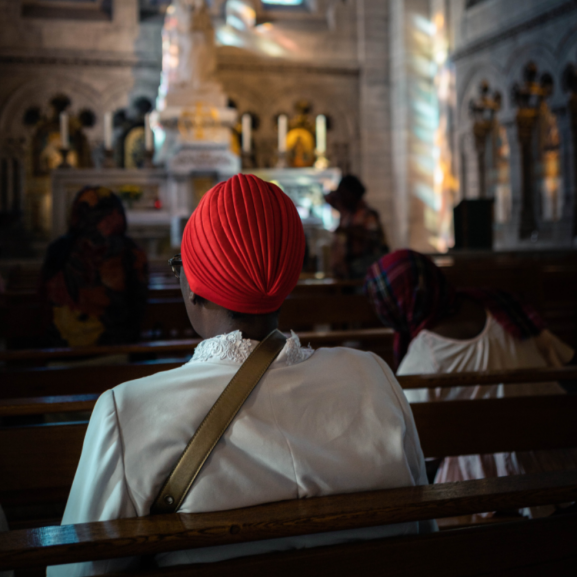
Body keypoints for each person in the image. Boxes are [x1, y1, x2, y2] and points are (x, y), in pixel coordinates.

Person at [48, 175, 433, 576]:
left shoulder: (126, 413)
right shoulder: (372, 376)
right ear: (288, 278)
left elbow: (75, 570)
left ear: (194, 286)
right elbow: (424, 533)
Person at [364, 249, 577, 520]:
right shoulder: (502, 307)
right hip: (556, 461)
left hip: (480, 493)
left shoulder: (424, 356)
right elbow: (564, 360)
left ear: (395, 307)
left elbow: (412, 447)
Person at [40, 186, 148, 347]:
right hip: (119, 348)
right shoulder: (131, 251)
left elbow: (44, 300)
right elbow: (138, 306)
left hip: (62, 347)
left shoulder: (59, 249)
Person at [325, 175, 388, 279]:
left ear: (352, 193)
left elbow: (373, 236)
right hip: (346, 270)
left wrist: (347, 231)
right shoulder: (347, 213)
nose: (341, 196)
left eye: (344, 193)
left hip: (363, 270)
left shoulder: (368, 214)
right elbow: (328, 198)